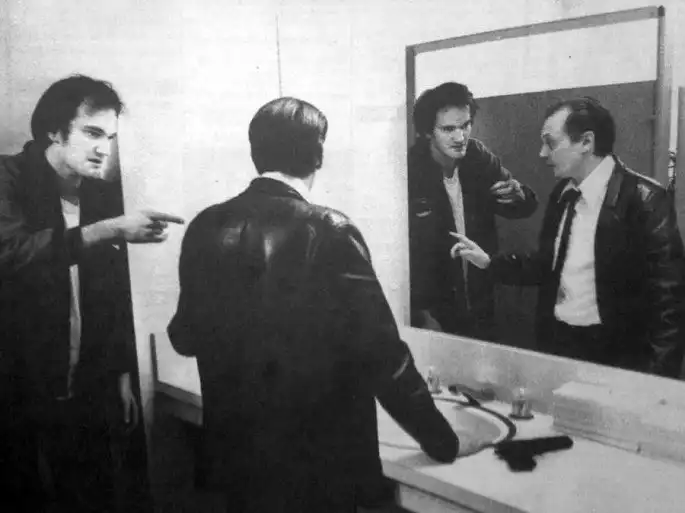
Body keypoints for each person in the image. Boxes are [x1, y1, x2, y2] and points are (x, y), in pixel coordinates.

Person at [168, 97, 485, 513]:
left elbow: (184, 338)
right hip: (317, 470)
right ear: (318, 155)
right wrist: (443, 441)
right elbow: (384, 357)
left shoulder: (206, 225)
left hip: (237, 463)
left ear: (255, 152)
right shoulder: (328, 230)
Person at [0, 74, 184, 512]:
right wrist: (107, 230)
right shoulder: (8, 176)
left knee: (90, 492)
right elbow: (10, 253)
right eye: (92, 132)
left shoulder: (100, 194)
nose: (104, 148)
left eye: (110, 137)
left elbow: (110, 294)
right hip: (17, 381)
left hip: (86, 380)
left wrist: (120, 374)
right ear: (53, 131)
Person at [451, 97, 685, 377]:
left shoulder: (645, 200)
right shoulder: (563, 194)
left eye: (550, 143)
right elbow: (547, 264)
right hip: (560, 346)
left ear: (586, 142)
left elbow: (669, 302)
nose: (542, 153)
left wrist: (657, 380)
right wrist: (489, 263)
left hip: (618, 357)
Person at [409, 81, 538, 340]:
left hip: (479, 293)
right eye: (448, 129)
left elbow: (523, 208)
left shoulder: (477, 156)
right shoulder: (411, 168)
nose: (460, 137)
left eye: (465, 125)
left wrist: (519, 194)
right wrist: (419, 313)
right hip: (435, 306)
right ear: (427, 132)